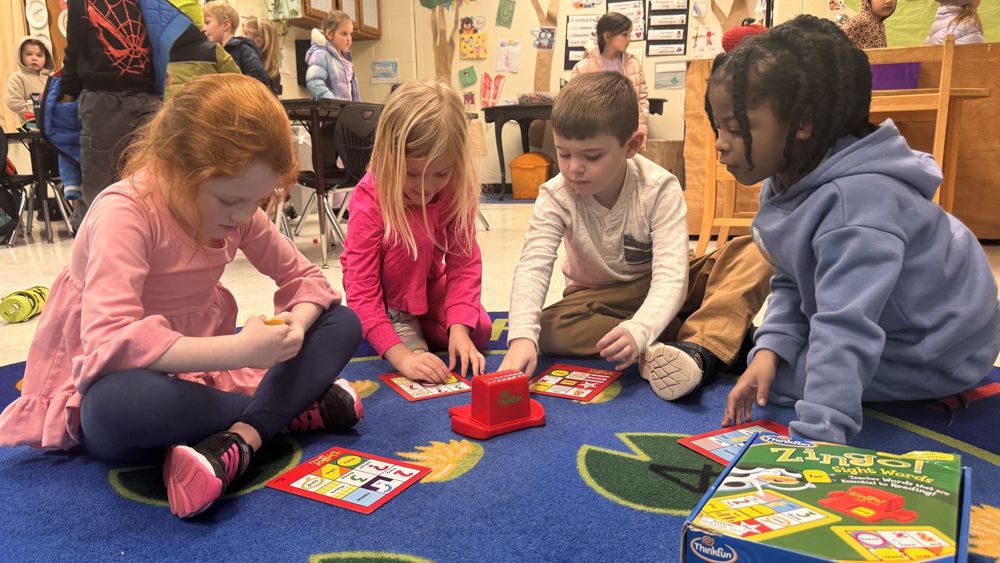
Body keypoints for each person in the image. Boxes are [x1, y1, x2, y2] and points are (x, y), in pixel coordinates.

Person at [0, 74, 364, 519]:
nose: (243, 216)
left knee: (341, 322)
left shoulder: (240, 207)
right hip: (127, 381)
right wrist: (241, 348)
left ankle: (244, 436)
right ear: (175, 168)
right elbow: (109, 343)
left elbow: (307, 279)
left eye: (257, 201)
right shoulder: (126, 212)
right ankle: (289, 408)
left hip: (200, 376)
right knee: (118, 406)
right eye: (230, 200)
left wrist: (298, 323)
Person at [707, 15, 1000, 444]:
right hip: (894, 325)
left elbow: (846, 326)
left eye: (736, 129)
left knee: (790, 383)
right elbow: (792, 277)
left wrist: (821, 431)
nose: (719, 143)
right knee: (768, 364)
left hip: (939, 348)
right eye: (719, 127)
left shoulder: (855, 204)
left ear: (802, 125)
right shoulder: (789, 178)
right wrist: (771, 349)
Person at [499, 71, 771, 401]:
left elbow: (672, 277)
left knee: (753, 251)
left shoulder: (659, 187)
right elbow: (533, 266)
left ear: (632, 145)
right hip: (599, 300)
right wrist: (522, 338)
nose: (573, 168)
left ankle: (698, 346)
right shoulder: (555, 195)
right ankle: (707, 337)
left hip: (669, 285)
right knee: (547, 327)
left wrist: (640, 329)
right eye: (564, 153)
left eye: (592, 156)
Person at [340, 80, 489, 383]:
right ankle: (391, 324)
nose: (426, 187)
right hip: (383, 298)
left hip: (426, 286)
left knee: (480, 328)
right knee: (397, 343)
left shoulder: (455, 189)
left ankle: (413, 324)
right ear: (388, 155)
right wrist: (403, 357)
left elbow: (464, 264)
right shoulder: (370, 197)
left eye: (441, 173)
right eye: (412, 173)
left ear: (456, 165)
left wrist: (459, 329)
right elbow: (362, 290)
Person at [60, 0, 165, 229]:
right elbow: (75, 46)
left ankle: (146, 244)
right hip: (102, 97)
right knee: (100, 183)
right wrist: (67, 91)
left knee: (152, 181)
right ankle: (93, 247)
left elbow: (159, 36)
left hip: (147, 96)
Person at [571, 12, 649, 140]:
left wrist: (640, 131)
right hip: (596, 137)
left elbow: (642, 101)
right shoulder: (582, 68)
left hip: (629, 135)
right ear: (607, 36)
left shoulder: (634, 64)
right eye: (625, 35)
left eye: (629, 34)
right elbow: (576, 107)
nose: (629, 39)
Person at [201, 0, 271, 89]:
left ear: (226, 24)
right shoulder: (214, 53)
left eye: (207, 22)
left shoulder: (243, 48)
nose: (203, 29)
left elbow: (260, 81)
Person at [305, 10, 360, 101]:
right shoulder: (321, 54)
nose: (349, 39)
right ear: (330, 34)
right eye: (344, 33)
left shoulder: (346, 60)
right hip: (329, 113)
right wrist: (334, 103)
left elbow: (354, 92)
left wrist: (357, 110)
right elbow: (314, 83)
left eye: (350, 34)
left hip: (345, 112)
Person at [5, 36, 53, 123]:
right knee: (30, 131)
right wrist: (31, 113)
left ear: (46, 58)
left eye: (39, 55)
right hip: (30, 123)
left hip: (53, 122)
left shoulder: (52, 79)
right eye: (29, 54)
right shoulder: (18, 78)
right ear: (20, 56)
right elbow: (13, 101)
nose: (34, 58)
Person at [244, 16, 283, 95]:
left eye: (246, 34)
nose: (242, 38)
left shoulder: (252, 69)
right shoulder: (273, 73)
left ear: (258, 41)